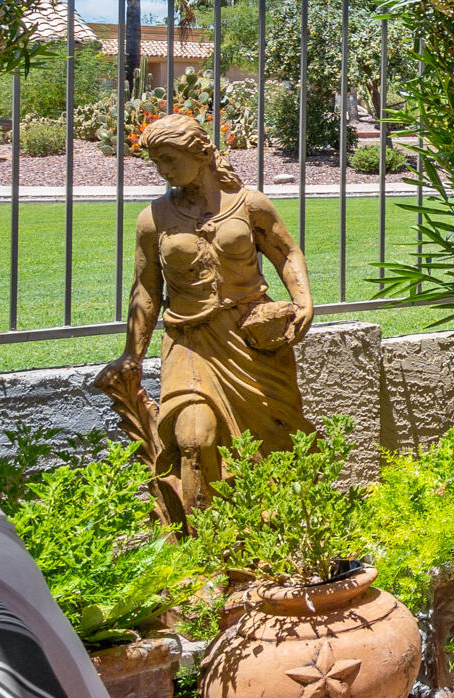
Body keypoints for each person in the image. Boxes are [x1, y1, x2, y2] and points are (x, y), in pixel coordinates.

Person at [96, 111, 314, 517]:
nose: (162, 169)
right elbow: (146, 289)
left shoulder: (250, 204)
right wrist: (132, 354)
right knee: (195, 437)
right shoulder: (153, 218)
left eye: (169, 158)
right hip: (190, 341)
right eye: (156, 161)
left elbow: (286, 252)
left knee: (275, 441)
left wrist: (303, 302)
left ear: (201, 153)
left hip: (251, 341)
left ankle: (281, 533)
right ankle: (208, 551)